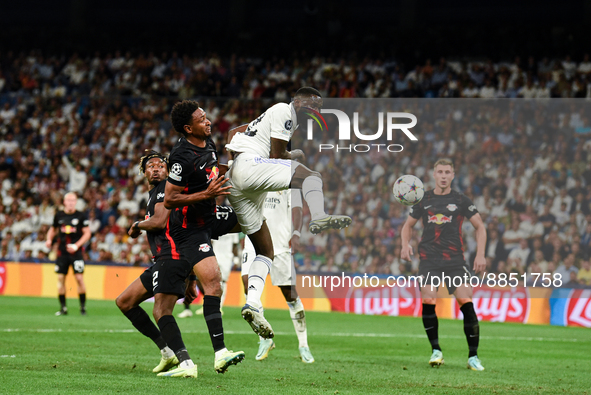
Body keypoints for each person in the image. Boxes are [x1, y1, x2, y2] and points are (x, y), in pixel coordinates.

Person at [225, 86, 352, 339]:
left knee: (264, 251)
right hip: (251, 166)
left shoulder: (274, 119)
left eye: (319, 106)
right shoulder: (284, 110)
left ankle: (251, 303)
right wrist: (295, 153)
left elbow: (233, 133)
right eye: (312, 103)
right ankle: (319, 215)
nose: (315, 109)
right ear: (297, 100)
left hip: (237, 178)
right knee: (311, 176)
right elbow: (276, 155)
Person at [164, 100, 245, 377]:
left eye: (206, 116)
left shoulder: (207, 143)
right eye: (201, 119)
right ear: (189, 128)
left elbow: (212, 170)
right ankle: (220, 354)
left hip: (210, 215)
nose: (208, 121)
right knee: (213, 282)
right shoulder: (180, 156)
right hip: (190, 227)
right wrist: (206, 195)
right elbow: (170, 199)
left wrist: (239, 170)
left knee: (252, 219)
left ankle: (256, 279)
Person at [401, 159, 487, 371]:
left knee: (466, 302)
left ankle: (473, 357)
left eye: (447, 172)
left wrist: (481, 255)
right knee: (429, 299)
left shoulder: (461, 200)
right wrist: (404, 244)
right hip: (429, 259)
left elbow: (480, 227)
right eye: (440, 171)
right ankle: (436, 350)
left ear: (453, 175)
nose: (443, 175)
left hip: (455, 261)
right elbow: (407, 225)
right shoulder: (423, 199)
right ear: (433, 174)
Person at [115, 151, 185, 376]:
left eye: (160, 165)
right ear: (144, 172)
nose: (156, 168)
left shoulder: (167, 188)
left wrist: (137, 225)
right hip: (160, 260)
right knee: (125, 301)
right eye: (151, 166)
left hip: (171, 257)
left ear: (167, 170)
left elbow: (159, 221)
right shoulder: (154, 192)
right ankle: (166, 352)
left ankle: (185, 361)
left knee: (161, 311)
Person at [242, 189, 314, 363]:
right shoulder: (256, 170)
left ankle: (304, 345)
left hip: (279, 244)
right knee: (247, 286)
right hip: (253, 240)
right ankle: (265, 339)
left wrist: (296, 233)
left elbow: (297, 210)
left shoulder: (288, 180)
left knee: (290, 295)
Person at [45, 192, 91, 316]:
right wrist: (49, 239)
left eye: (73, 200)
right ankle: (63, 308)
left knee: (79, 278)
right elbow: (53, 229)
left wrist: (76, 245)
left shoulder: (81, 216)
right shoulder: (59, 215)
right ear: (64, 202)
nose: (71, 203)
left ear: (76, 202)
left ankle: (82, 307)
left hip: (76, 253)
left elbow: (87, 233)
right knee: (60, 279)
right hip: (62, 253)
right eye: (68, 200)